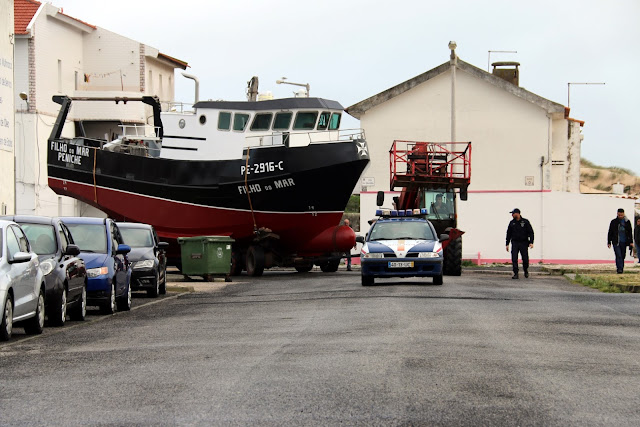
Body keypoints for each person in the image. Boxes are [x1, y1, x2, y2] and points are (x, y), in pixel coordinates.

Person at [505, 208, 534, 279]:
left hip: (524, 243)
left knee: (525, 258)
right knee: (514, 258)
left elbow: (531, 232)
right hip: (515, 242)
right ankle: (515, 273)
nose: (512, 215)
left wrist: (531, 242)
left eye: (513, 213)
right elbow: (508, 233)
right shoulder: (512, 223)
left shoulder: (525, 222)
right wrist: (507, 243)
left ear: (517, 214)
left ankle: (525, 270)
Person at [607, 208, 633, 273]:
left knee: (622, 255)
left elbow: (630, 232)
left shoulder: (627, 222)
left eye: (621, 215)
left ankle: (621, 267)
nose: (620, 216)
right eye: (619, 215)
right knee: (618, 255)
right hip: (616, 242)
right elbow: (610, 232)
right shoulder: (613, 222)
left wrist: (631, 242)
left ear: (624, 214)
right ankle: (619, 269)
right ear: (617, 214)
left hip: (624, 242)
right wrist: (609, 242)